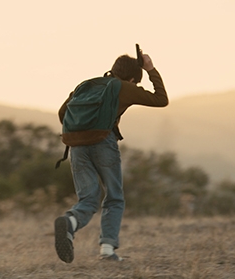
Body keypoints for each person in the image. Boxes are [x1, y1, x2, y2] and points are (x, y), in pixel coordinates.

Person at [54, 51, 168, 263]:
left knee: (88, 198)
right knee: (114, 196)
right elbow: (161, 99)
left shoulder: (87, 85)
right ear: (133, 79)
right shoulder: (124, 88)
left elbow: (63, 113)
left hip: (76, 144)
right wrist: (150, 69)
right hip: (103, 142)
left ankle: (70, 221)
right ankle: (107, 250)